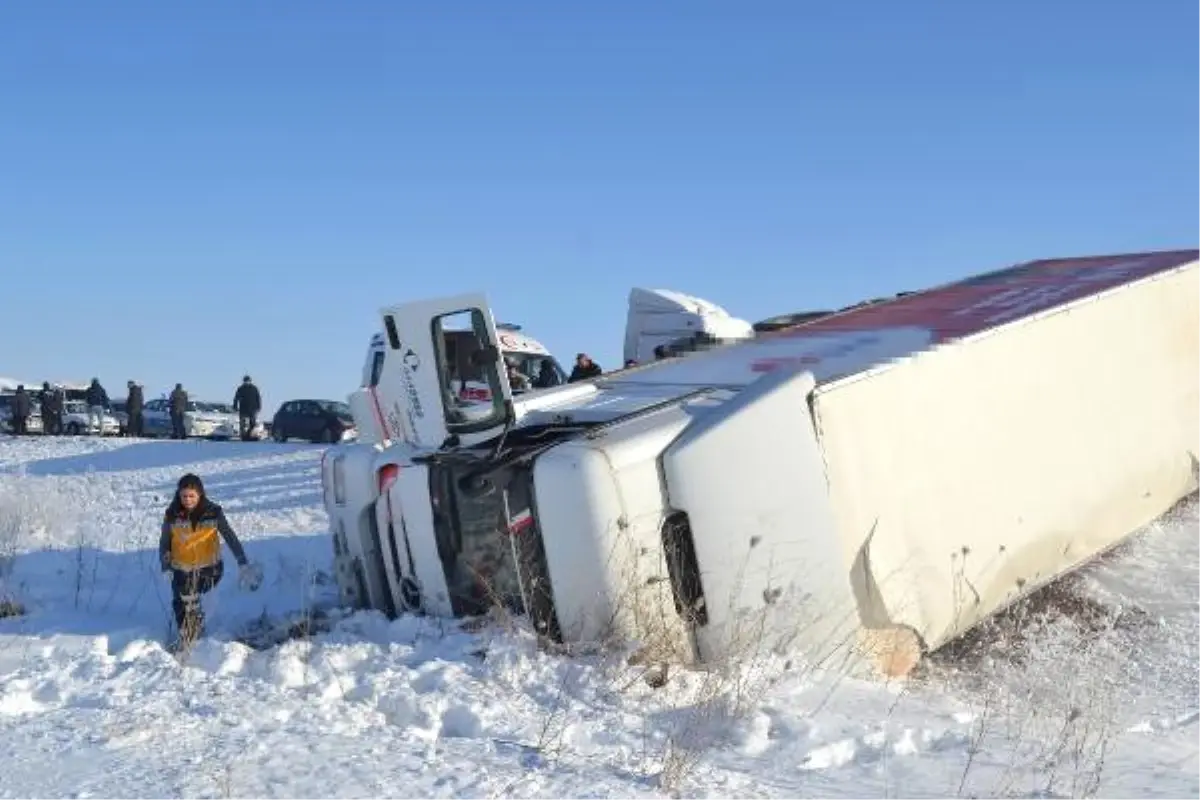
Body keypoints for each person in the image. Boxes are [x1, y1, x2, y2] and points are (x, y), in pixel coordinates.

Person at [158, 473, 261, 644]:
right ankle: (187, 638)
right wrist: (165, 566)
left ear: (200, 494)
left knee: (192, 600)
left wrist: (242, 562)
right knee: (180, 604)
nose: (188, 500)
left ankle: (196, 636)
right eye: (184, 496)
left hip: (208, 569)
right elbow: (164, 543)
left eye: (192, 496)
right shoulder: (172, 515)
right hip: (180, 568)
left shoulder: (213, 512)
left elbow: (230, 536)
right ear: (178, 495)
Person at [232, 375, 261, 442]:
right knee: (242, 424)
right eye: (245, 381)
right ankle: (243, 436)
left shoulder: (254, 388)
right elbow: (236, 398)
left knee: (253, 424)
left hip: (252, 409)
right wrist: (235, 406)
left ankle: (249, 435)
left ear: (250, 381)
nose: (247, 382)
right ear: (244, 381)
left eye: (248, 381)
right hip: (243, 409)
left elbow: (258, 398)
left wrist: (258, 407)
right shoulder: (241, 388)